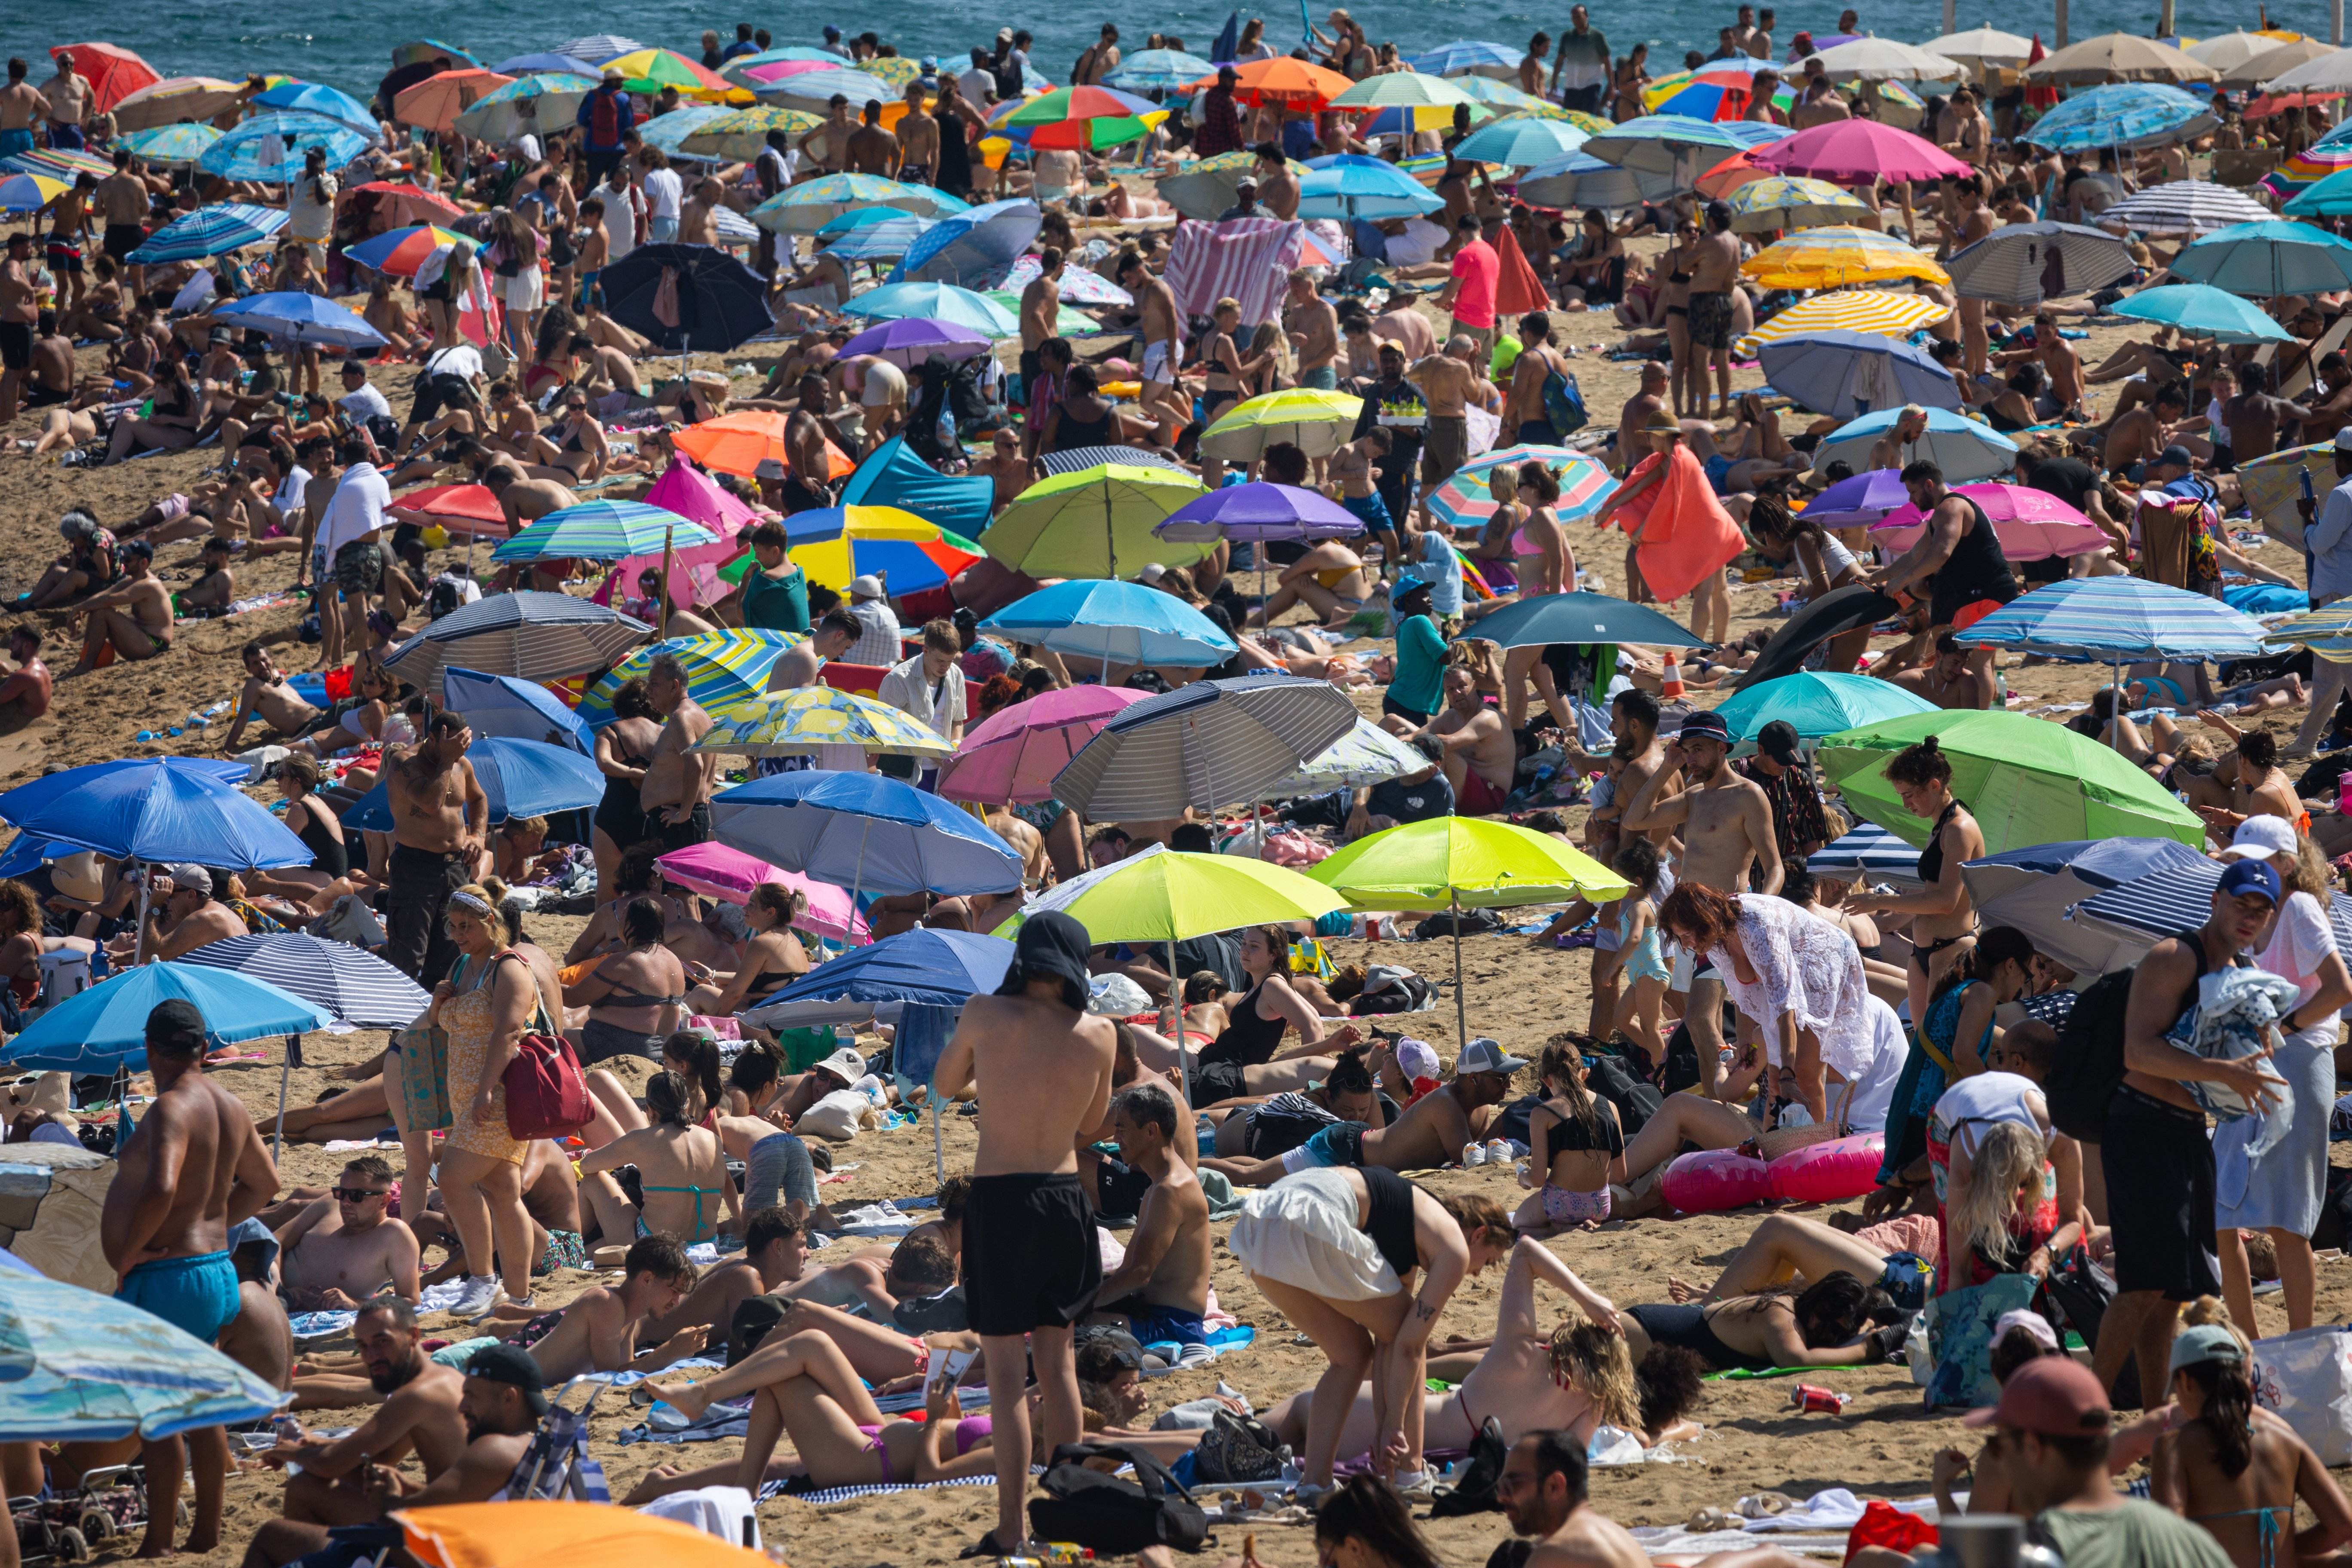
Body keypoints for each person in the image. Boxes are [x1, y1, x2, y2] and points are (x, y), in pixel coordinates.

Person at [932, 912, 1118, 1556]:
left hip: (1003, 1198)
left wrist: (1001, 1075)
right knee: (1059, 1365)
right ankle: (1064, 1518)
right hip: (1066, 1198)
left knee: (1008, 1377)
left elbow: (943, 1084)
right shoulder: (1099, 1032)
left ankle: (1012, 1529)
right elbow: (1092, 1123)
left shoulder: (986, 1012)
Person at [2099, 861, 2291, 1412]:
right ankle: (2083, 1409)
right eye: (2242, 904)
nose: (2251, 917)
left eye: (2262, 910)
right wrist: (2226, 1072)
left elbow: (2235, 1059)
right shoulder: (2174, 957)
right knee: (2140, 1286)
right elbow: (2138, 1053)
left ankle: (2156, 1413)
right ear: (2216, 899)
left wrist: (2251, 1056)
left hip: (2187, 1131)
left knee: (2169, 1294)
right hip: (2140, 1124)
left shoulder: (2240, 972)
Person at [101, 999, 279, 1558]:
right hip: (212, 1271)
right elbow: (265, 1184)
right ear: (205, 1049)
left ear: (150, 1049)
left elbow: (160, 1186)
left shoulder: (172, 1107)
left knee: (160, 1419)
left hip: (171, 1278)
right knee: (204, 1413)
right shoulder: (229, 1105)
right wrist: (213, 1225)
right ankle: (204, 1534)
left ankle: (157, 1542)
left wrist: (131, 1253)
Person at [1228, 1170, 1513, 1498]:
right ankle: (1411, 1471)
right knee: (1411, 1328)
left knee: (1352, 1355)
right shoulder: (1454, 1248)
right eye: (1488, 1261)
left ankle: (1316, 1483)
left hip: (1260, 1226)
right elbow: (1409, 1346)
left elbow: (1388, 1345)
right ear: (1478, 1235)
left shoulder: (1409, 1238)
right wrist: (1392, 1425)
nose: (1477, 1273)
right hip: (1308, 1216)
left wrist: (1383, 1430)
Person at [2212, 818, 2352, 1335]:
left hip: (2299, 1061)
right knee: (2222, 1210)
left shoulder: (2297, 906)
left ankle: (2298, 1342)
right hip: (2268, 1063)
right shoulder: (2259, 913)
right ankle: (2253, 1344)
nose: (2246, 866)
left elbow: (2341, 987)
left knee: (2287, 1221)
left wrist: (2283, 1026)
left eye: (2259, 858)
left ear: (2287, 865)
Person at [1620, 708, 1781, 1091]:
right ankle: (1720, 1091)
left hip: (1725, 924)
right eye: (1686, 750)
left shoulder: (1748, 795)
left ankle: (1719, 1099)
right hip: (1687, 926)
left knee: (1698, 1017)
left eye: (1698, 750)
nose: (1691, 758)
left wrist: (1756, 909)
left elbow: (1775, 866)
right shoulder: (1693, 797)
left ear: (1722, 749)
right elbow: (1634, 819)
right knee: (1697, 1020)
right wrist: (1667, 766)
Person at [429, 882, 564, 1321]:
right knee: (504, 1192)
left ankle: (484, 1279)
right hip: (467, 1093)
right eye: (452, 926)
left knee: (452, 1179)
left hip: (499, 1094)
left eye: (467, 925)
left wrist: (486, 1089)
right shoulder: (466, 965)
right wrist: (439, 1004)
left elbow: (508, 1034)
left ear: (492, 922)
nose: (458, 934)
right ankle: (520, 1296)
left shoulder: (508, 968)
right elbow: (448, 1025)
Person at [1982, 1357, 2236, 1568]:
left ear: (2032, 1448)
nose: (2001, 1461)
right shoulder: (2189, 1542)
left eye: (1999, 1446)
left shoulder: (2034, 1552)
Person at [257, 1298, 466, 1546]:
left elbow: (330, 1465)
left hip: (451, 1535)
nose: (371, 1356)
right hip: (463, 1517)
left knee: (302, 1492)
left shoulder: (417, 1394)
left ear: (413, 1336)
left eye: (382, 1342)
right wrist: (313, 1442)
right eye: (363, 1346)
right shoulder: (443, 1378)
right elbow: (381, 1457)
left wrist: (293, 1453)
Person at [2154, 1320, 2352, 1568]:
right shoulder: (2286, 1439)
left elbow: (2165, 1542)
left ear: (2186, 1382)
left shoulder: (2173, 1447)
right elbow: (2343, 1524)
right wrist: (2284, 1546)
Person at [1844, 736, 1988, 1034]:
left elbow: (1947, 900)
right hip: (1926, 949)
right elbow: (1930, 891)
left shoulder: (1960, 829)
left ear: (1934, 786)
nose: (1905, 803)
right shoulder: (1940, 826)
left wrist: (1880, 903)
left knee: (1943, 1041)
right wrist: (1896, 918)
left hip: (1952, 946)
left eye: (1909, 795)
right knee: (1925, 1042)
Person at [1088, 1084, 1212, 1347]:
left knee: (1069, 1334)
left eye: (1122, 1129)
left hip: (1173, 1325)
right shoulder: (1159, 1184)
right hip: (1151, 1311)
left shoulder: (1172, 1190)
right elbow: (1130, 1268)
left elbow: (1139, 1273)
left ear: (1151, 1131)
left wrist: (1080, 1304)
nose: (1115, 1138)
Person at [501, 1233, 704, 1381]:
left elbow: (625, 1370)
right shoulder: (607, 1303)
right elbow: (609, 1377)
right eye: (674, 1290)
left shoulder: (629, 1313)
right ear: (648, 1279)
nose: (677, 1301)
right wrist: (669, 1351)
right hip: (505, 1378)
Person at [383, 712, 487, 985]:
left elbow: (479, 798)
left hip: (455, 866)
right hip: (415, 866)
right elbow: (431, 804)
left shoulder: (461, 764)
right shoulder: (404, 763)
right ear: (434, 739)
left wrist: (478, 835)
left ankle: (437, 1016)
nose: (461, 750)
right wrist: (446, 759)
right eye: (456, 743)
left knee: (451, 946)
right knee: (409, 948)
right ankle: (401, 1021)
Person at [577, 1070, 734, 1244]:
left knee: (593, 1180)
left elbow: (586, 1166)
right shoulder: (713, 1139)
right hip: (707, 1241)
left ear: (650, 1111)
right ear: (687, 1105)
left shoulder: (643, 1139)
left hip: (654, 1242)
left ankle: (575, 1241)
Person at [276, 1156, 421, 1308]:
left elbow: (410, 1300)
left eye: (356, 1196)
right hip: (268, 1283)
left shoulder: (394, 1235)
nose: (346, 1202)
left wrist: (354, 1303)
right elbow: (275, 1241)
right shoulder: (330, 1204)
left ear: (384, 1201)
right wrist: (280, 1289)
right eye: (342, 1193)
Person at [1512, 1038, 1621, 1235]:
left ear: (1546, 1080)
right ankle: (1578, 1223)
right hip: (1600, 1205)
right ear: (1584, 1073)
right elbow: (1620, 1173)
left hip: (1561, 1203)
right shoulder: (1611, 1107)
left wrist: (1523, 1177)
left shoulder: (1543, 1113)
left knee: (1519, 1225)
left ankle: (1560, 1228)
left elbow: (1537, 1179)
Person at [1499, 1428, 1650, 1568]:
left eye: (1513, 1484)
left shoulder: (1552, 1555)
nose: (1502, 1497)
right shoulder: (1617, 1535)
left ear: (1554, 1486)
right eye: (1500, 1485)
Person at [641, 653, 719, 850]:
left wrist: (683, 813)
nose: (648, 690)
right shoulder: (701, 715)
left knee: (672, 882)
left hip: (679, 823)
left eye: (654, 684)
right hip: (687, 817)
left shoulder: (680, 718)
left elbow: (696, 765)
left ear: (674, 686)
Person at [0, 627, 51, 720]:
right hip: (34, 712)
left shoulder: (23, 676)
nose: (10, 647)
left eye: (13, 642)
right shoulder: (39, 666)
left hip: (19, 721)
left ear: (26, 645)